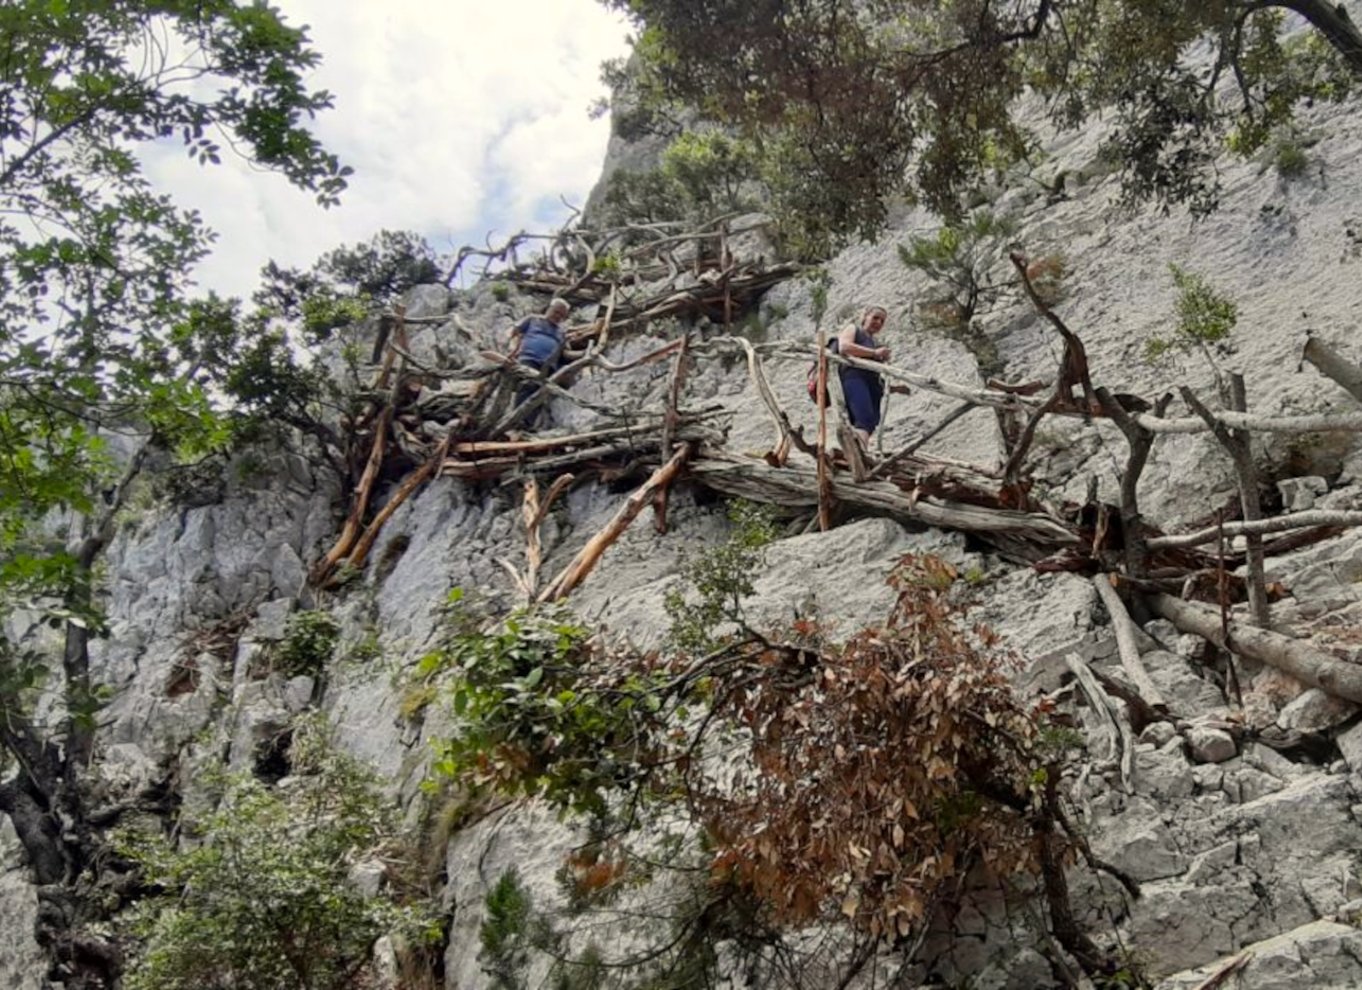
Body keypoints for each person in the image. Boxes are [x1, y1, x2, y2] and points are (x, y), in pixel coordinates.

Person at [507, 297, 582, 426]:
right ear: (549, 309)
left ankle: (527, 425)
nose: (558, 316)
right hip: (529, 359)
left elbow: (566, 353)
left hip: (549, 367)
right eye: (556, 312)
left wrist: (585, 353)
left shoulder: (561, 332)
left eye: (562, 315)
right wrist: (513, 350)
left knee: (539, 395)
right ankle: (517, 422)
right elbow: (513, 332)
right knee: (527, 386)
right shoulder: (533, 319)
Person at [836, 305, 890, 445]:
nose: (878, 322)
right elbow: (844, 347)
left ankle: (856, 452)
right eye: (875, 318)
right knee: (864, 419)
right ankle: (860, 457)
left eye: (882, 321)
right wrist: (874, 353)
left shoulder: (873, 342)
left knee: (869, 422)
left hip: (869, 383)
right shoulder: (854, 329)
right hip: (854, 378)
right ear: (865, 317)